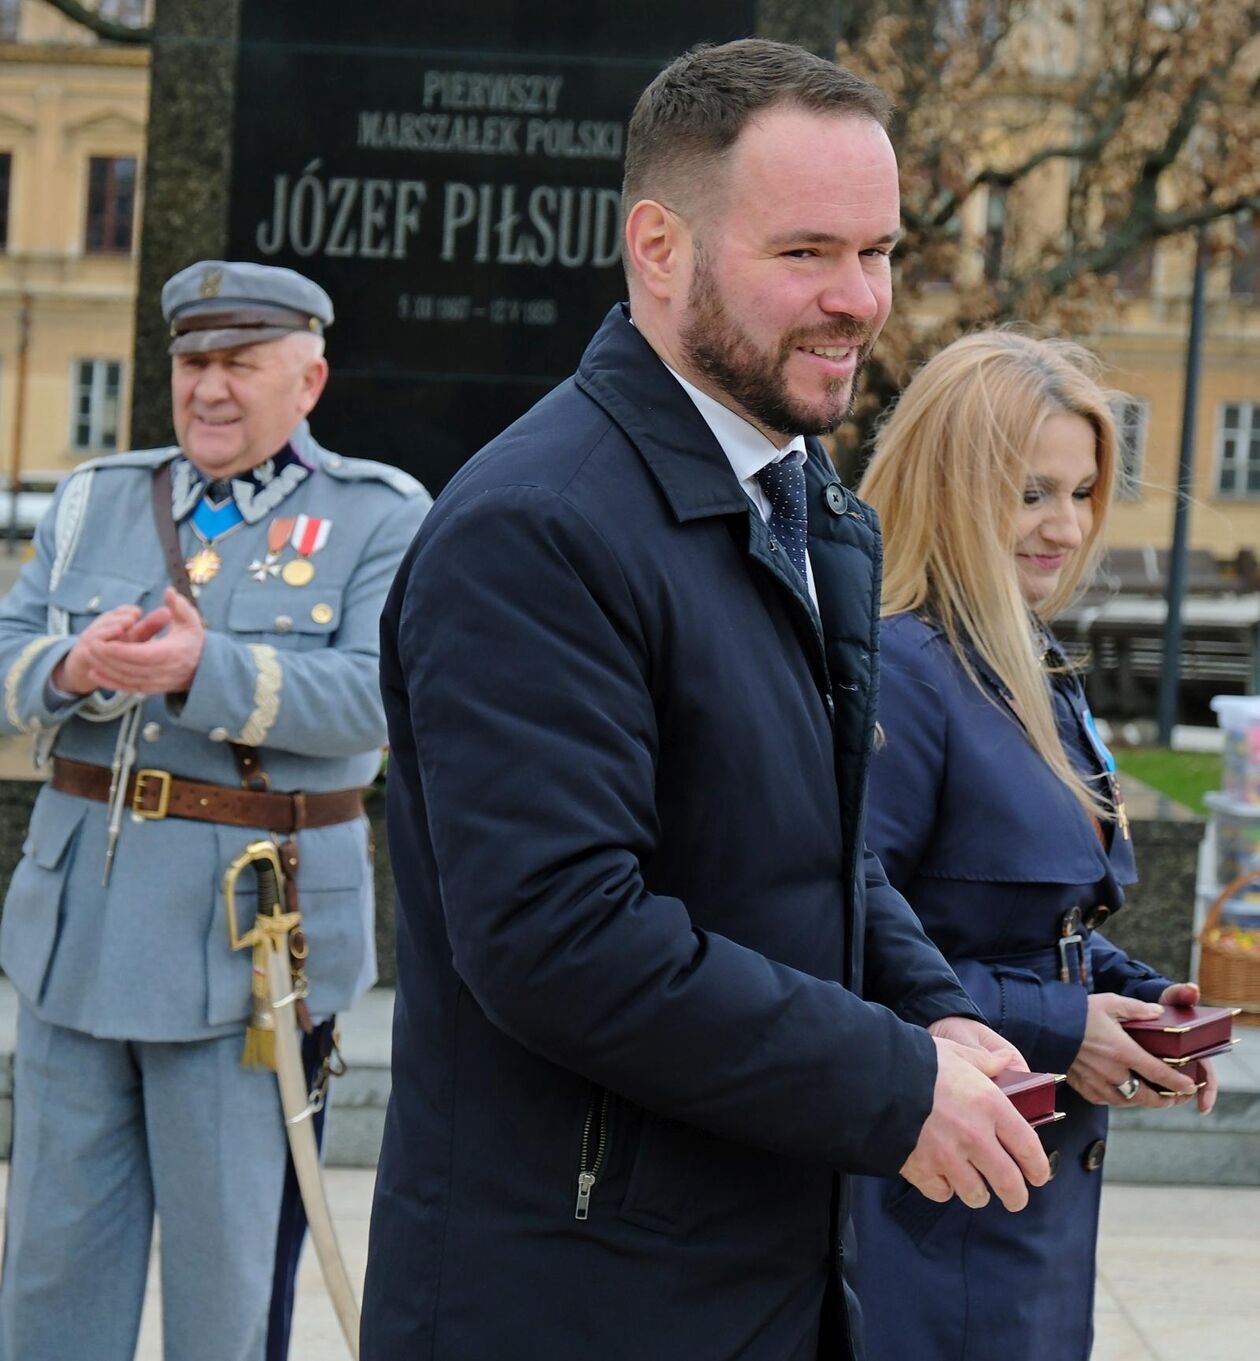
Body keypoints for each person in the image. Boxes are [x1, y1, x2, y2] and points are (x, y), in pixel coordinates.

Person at [363, 40, 1051, 1361]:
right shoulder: (537, 530)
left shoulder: (812, 510)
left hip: (760, 1266)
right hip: (577, 1300)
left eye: (881, 251)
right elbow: (560, 938)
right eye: (805, 253)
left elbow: (810, 848)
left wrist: (933, 1006)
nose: (860, 299)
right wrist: (896, 1083)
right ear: (659, 248)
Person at [0, 260, 431, 1361]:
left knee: (226, 1284)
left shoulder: (377, 516)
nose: (210, 389)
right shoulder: (97, 497)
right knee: (49, 1274)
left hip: (249, 956)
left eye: (241, 364)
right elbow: (7, 651)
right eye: (195, 362)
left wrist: (209, 670)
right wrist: (68, 664)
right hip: (77, 942)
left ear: (310, 378)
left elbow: (387, 695)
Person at [849, 329, 1216, 1361]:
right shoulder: (907, 668)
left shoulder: (1021, 654)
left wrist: (1137, 1003)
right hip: (931, 1195)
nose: (1066, 525)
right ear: (955, 486)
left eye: (1083, 491)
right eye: (1030, 492)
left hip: (1022, 1181)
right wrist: (1066, 1025)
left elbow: (1035, 918)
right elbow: (839, 935)